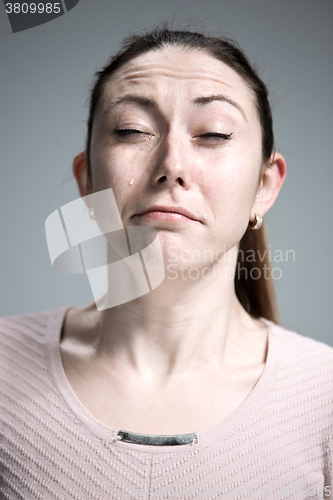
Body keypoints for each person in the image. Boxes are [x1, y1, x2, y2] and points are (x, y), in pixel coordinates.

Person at [1, 26, 332, 500]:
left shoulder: (325, 398)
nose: (171, 164)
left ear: (265, 186)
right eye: (132, 130)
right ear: (87, 180)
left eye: (214, 134)